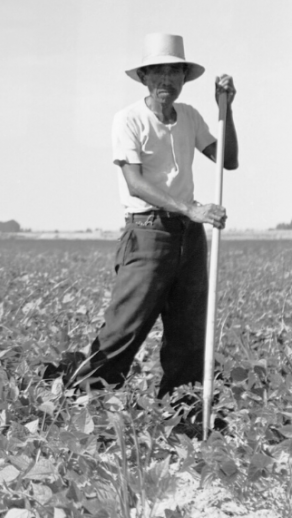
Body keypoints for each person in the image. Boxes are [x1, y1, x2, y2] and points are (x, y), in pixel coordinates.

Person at [61, 33, 238, 398]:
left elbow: (228, 160)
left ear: (184, 79)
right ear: (144, 77)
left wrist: (227, 110)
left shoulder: (189, 116)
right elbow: (136, 183)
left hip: (190, 237)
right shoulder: (128, 119)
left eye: (174, 72)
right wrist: (192, 208)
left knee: (188, 331)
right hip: (147, 233)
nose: (167, 80)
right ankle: (83, 401)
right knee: (124, 328)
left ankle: (183, 409)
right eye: (158, 72)